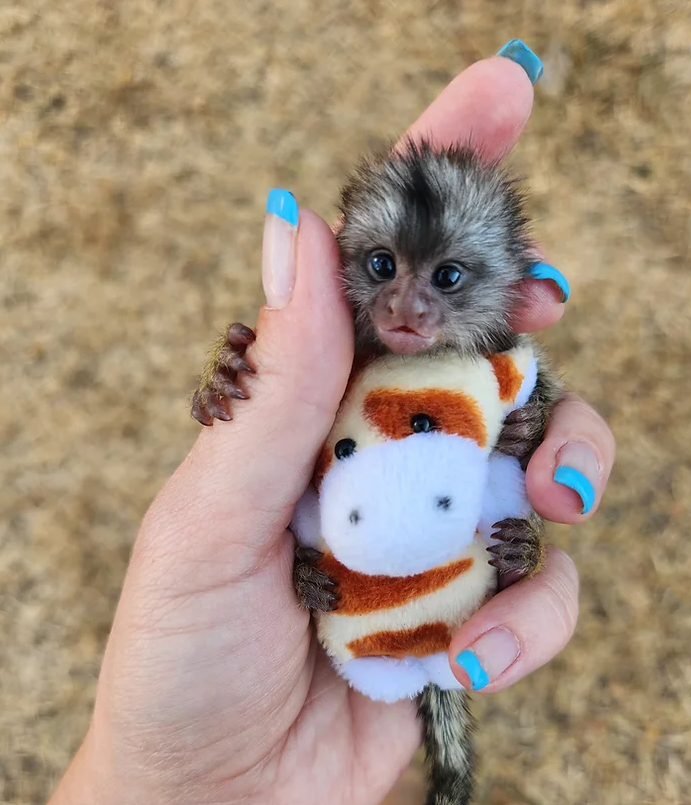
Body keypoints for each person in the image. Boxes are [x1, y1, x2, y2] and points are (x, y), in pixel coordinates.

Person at [50, 43, 615, 805]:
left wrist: (529, 440)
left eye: (446, 278)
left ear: (504, 284)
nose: (405, 304)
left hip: (437, 585)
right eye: (381, 266)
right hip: (330, 603)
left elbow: (529, 409)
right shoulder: (328, 359)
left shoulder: (495, 369)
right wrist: (234, 376)